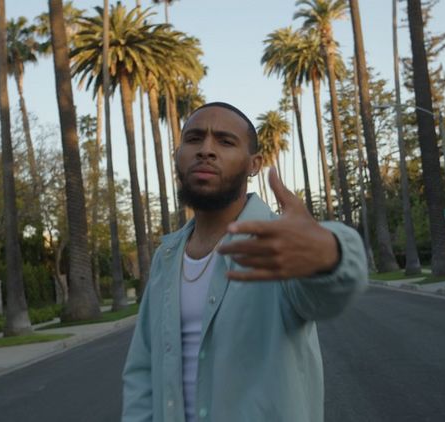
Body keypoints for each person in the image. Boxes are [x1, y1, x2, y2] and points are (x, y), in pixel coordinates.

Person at [122, 102, 367, 422]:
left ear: (254, 164)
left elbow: (332, 295)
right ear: (178, 156)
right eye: (194, 139)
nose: (206, 150)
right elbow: (143, 367)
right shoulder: (165, 256)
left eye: (225, 141)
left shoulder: (278, 244)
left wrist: (331, 252)